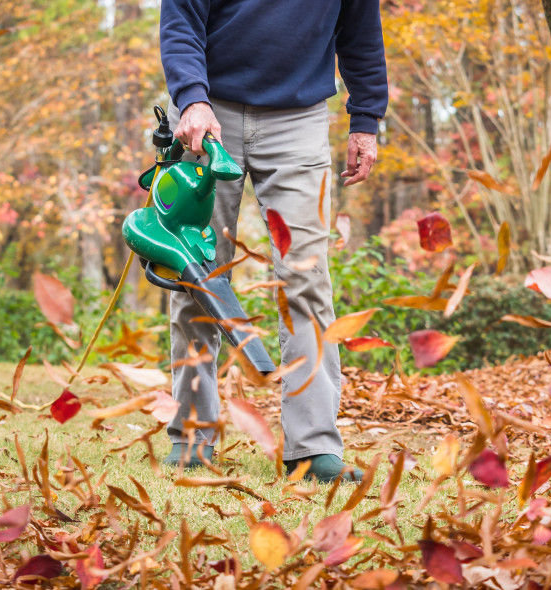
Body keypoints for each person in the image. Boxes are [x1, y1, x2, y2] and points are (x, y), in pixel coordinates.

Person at [158, 0, 388, 483]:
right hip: (209, 115)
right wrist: (192, 98)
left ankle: (313, 448)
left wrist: (366, 119)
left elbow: (361, 35)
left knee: (306, 277)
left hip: (299, 119)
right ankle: (193, 438)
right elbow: (181, 21)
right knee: (196, 273)